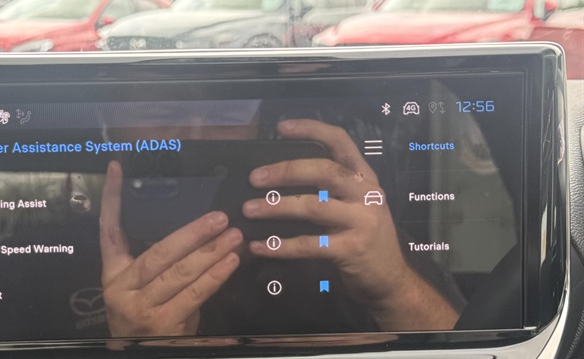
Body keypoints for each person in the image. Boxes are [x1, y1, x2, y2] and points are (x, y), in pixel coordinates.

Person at [99, 118, 460, 337]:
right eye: (162, 107)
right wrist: (132, 354)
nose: (196, 132)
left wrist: (397, 290)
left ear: (259, 125)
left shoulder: (350, 239)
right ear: (108, 125)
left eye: (228, 110)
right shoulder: (76, 258)